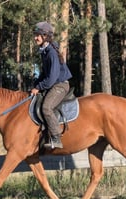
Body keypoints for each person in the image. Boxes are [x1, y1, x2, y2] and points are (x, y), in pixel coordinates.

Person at [31, 21, 72, 149]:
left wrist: (38, 87)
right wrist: (35, 85)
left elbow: (52, 78)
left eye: (38, 35)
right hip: (53, 84)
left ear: (46, 36)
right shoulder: (45, 51)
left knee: (46, 108)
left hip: (59, 85)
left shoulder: (51, 53)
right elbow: (44, 74)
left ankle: (56, 137)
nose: (35, 37)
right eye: (35, 35)